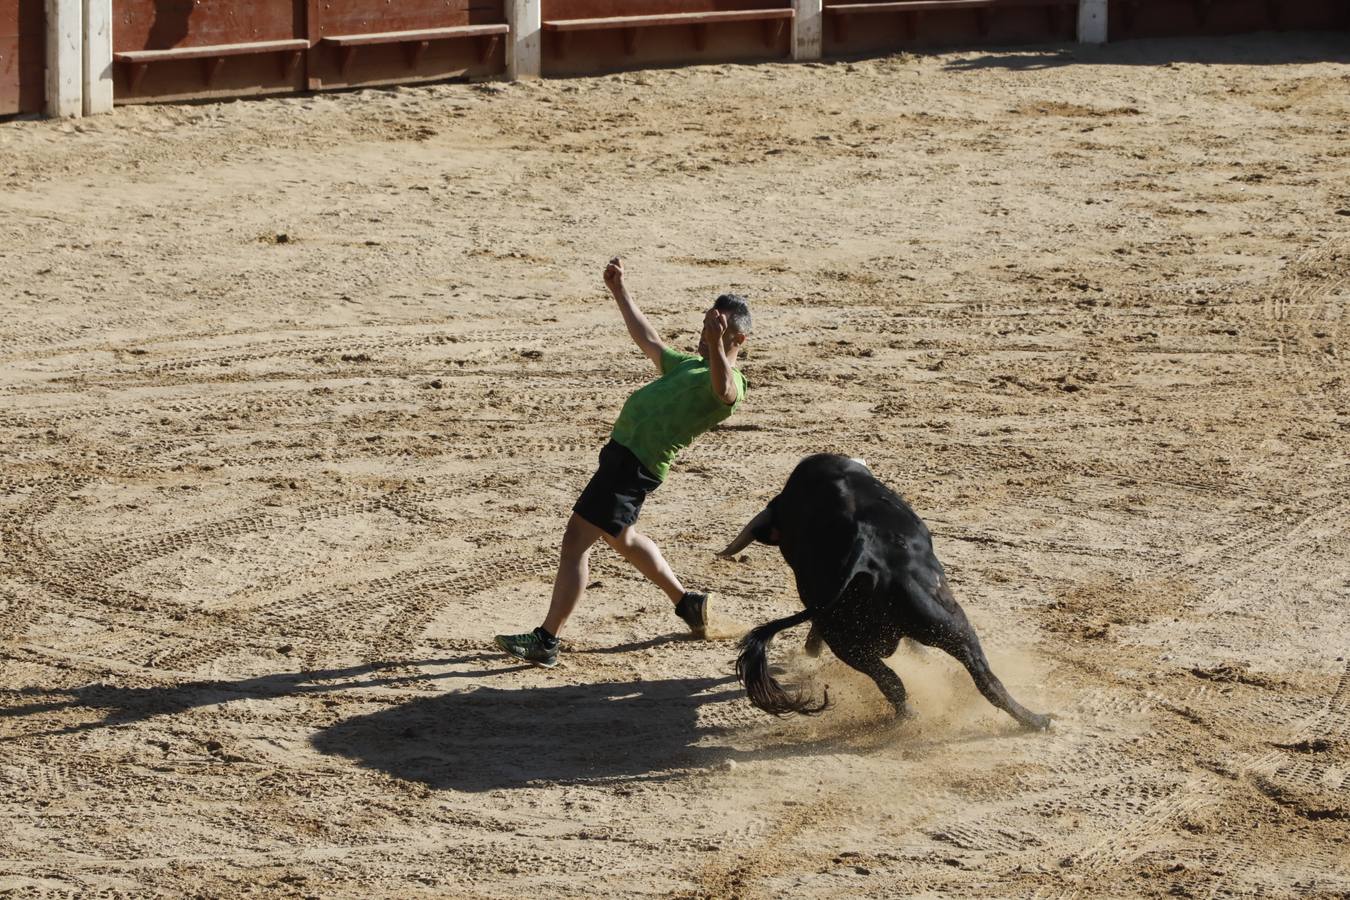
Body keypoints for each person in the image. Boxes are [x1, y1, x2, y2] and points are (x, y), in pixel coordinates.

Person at [494, 257, 751, 668]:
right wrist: (619, 292)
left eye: (714, 328)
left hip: (633, 466)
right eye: (705, 324)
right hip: (621, 459)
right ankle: (687, 603)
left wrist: (718, 345)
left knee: (575, 541)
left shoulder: (729, 379)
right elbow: (648, 338)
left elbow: (723, 392)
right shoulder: (690, 364)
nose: (703, 334)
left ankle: (547, 640)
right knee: (622, 538)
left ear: (737, 336)